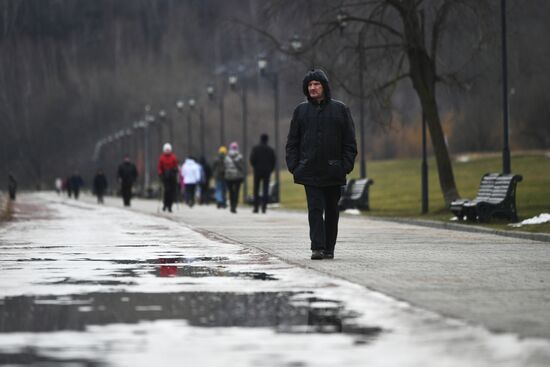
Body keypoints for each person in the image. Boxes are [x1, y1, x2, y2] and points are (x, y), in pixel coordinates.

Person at [285, 69, 357, 260]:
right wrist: (295, 166)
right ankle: (317, 247)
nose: (312, 88)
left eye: (316, 84)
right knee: (315, 209)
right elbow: (292, 142)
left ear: (324, 86)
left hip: (334, 171)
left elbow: (349, 142)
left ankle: (329, 248)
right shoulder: (300, 111)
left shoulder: (340, 109)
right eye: (309, 85)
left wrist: (344, 166)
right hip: (309, 171)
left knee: (332, 211)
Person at [250, 133, 276, 213]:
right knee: (265, 189)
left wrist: (255, 166)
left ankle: (256, 207)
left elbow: (252, 159)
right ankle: (264, 208)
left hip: (257, 171)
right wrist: (270, 169)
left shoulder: (255, 148)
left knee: (256, 189)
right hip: (267, 171)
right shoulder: (270, 150)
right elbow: (273, 161)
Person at [157, 143, 179, 212]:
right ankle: (165, 204)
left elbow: (176, 166)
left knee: (172, 192)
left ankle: (170, 205)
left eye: (168, 150)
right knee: (166, 191)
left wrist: (175, 170)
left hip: (172, 177)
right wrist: (160, 173)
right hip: (165, 177)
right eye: (166, 150)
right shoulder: (162, 157)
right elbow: (159, 167)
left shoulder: (173, 157)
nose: (167, 151)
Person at [224, 142, 245, 214]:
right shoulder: (240, 156)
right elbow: (242, 166)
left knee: (230, 191)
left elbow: (225, 166)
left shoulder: (227, 156)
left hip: (229, 176)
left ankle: (231, 205)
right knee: (236, 191)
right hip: (237, 176)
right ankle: (234, 206)